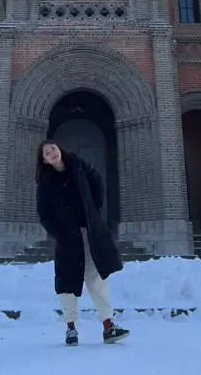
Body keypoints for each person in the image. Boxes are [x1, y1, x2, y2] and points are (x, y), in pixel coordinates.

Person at [36, 139, 130, 347]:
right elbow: (44, 214)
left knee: (96, 276)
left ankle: (108, 326)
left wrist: (94, 211)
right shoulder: (45, 183)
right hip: (68, 237)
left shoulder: (79, 165)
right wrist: (60, 234)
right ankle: (70, 329)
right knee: (68, 281)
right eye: (47, 152)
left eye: (53, 148)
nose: (52, 152)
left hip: (89, 232)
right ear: (44, 160)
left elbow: (97, 182)